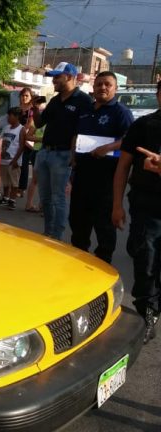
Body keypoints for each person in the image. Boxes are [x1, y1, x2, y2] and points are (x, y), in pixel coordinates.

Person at [112, 80, 161, 344]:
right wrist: (117, 205)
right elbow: (123, 167)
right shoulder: (142, 126)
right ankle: (148, 312)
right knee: (146, 259)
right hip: (147, 207)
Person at [69, 71, 133, 263]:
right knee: (78, 223)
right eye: (99, 85)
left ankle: (103, 265)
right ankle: (78, 263)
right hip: (82, 176)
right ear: (93, 87)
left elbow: (130, 139)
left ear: (115, 88)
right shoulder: (86, 110)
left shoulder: (121, 112)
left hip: (106, 179)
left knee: (104, 227)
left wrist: (109, 148)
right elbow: (76, 136)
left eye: (107, 84)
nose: (102, 88)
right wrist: (73, 156)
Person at [33, 62, 93, 240]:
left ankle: (56, 237)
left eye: (57, 77)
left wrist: (74, 156)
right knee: (45, 198)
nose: (54, 81)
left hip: (63, 154)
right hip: (45, 152)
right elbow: (39, 124)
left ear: (69, 77)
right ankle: (48, 233)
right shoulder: (55, 100)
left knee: (58, 198)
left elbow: (83, 131)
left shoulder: (83, 100)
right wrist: (35, 109)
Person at [0, 107, 24, 209]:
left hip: (14, 160)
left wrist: (16, 160)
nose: (8, 118)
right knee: (5, 181)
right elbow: (0, 140)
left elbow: (21, 146)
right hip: (4, 159)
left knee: (14, 182)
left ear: (17, 117)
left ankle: (12, 200)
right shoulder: (6, 128)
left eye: (10, 116)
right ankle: (5, 198)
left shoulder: (21, 129)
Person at [16, 87, 35, 193]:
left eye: (27, 95)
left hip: (26, 138)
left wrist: (22, 133)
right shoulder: (18, 108)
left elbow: (30, 123)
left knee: (24, 163)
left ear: (31, 97)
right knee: (16, 162)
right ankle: (14, 185)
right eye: (22, 95)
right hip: (17, 137)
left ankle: (21, 188)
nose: (24, 98)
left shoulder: (32, 109)